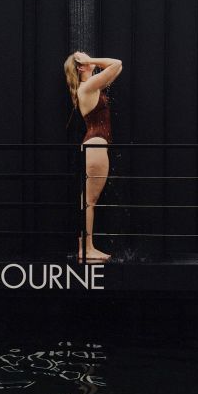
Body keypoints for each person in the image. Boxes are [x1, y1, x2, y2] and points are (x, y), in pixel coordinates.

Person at [63, 50, 123, 261]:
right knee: (89, 200)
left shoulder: (91, 85)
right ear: (81, 66)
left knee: (89, 200)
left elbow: (118, 68)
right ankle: (86, 249)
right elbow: (116, 62)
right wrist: (91, 61)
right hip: (95, 145)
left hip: (95, 144)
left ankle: (87, 247)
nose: (88, 57)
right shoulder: (87, 87)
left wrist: (89, 61)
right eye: (84, 57)